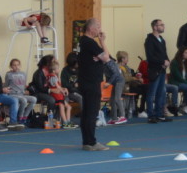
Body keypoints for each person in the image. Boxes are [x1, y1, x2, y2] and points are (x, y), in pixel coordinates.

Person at [77, 18, 111, 150]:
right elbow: (107, 58)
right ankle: (91, 141)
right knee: (91, 112)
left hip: (85, 81)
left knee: (86, 112)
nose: (100, 30)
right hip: (91, 82)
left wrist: (100, 57)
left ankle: (87, 141)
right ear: (91, 28)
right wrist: (102, 42)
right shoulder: (90, 42)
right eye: (98, 27)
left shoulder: (82, 42)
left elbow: (104, 57)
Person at [144, 19, 172, 124]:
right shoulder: (149, 40)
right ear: (155, 27)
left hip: (162, 70)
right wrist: (162, 61)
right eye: (161, 25)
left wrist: (168, 61)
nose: (163, 26)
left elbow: (164, 54)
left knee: (161, 93)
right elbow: (150, 57)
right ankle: (151, 115)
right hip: (154, 70)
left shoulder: (162, 39)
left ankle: (159, 114)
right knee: (152, 93)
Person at [5, 59, 37, 125]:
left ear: (20, 66)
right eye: (14, 65)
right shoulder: (9, 74)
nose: (16, 67)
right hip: (12, 94)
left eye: (18, 65)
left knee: (34, 99)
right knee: (24, 100)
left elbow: (23, 85)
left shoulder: (23, 74)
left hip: (21, 94)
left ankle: (25, 116)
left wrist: (25, 90)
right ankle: (20, 117)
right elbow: (6, 85)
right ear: (11, 66)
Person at [117, 51, 146, 117]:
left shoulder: (126, 67)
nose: (128, 59)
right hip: (124, 87)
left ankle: (139, 109)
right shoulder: (118, 67)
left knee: (146, 87)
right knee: (145, 89)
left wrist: (137, 78)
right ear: (122, 59)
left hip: (129, 85)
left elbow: (130, 77)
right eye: (127, 58)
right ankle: (140, 110)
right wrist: (136, 79)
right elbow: (125, 79)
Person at [48, 61, 73, 128]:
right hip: (56, 96)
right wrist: (62, 90)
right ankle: (65, 123)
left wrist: (64, 89)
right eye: (57, 68)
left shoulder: (55, 76)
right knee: (61, 107)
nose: (59, 70)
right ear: (53, 70)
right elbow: (57, 87)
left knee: (69, 107)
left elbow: (59, 86)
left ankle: (68, 122)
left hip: (59, 95)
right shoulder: (52, 77)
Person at [104, 55, 128, 125]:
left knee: (117, 99)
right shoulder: (104, 64)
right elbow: (107, 75)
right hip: (115, 82)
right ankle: (114, 118)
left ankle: (122, 116)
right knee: (112, 100)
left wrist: (108, 82)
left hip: (119, 81)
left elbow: (116, 74)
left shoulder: (110, 63)